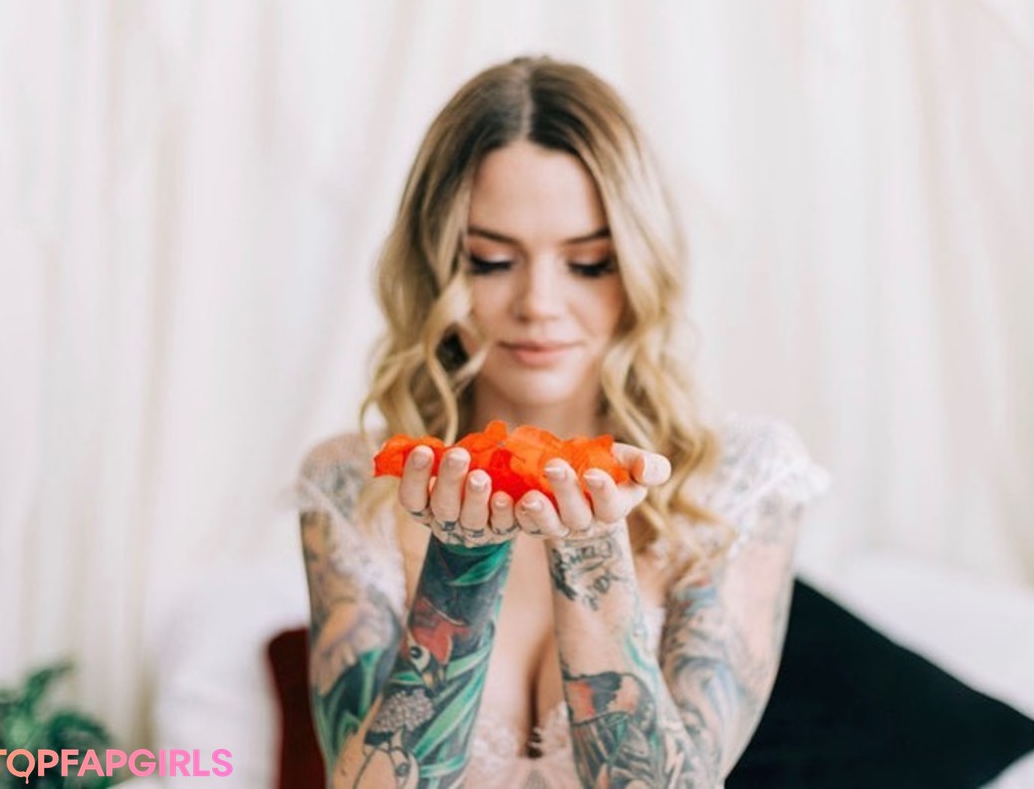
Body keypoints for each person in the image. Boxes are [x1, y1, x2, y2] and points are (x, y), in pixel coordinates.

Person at [297, 56, 827, 788]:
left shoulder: (738, 480)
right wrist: (463, 562)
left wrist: (590, 550)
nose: (539, 304)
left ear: (639, 266)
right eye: (490, 260)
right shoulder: (350, 483)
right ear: (437, 266)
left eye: (589, 263)